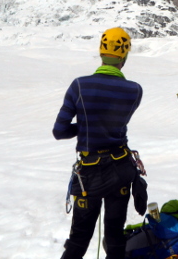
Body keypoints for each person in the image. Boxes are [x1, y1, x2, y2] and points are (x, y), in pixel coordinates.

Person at [53, 27, 143, 259]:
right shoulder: (134, 91)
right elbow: (115, 123)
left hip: (88, 175)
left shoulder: (79, 86)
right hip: (120, 170)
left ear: (101, 53)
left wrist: (84, 127)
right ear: (124, 57)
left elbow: (60, 131)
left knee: (79, 239)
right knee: (114, 238)